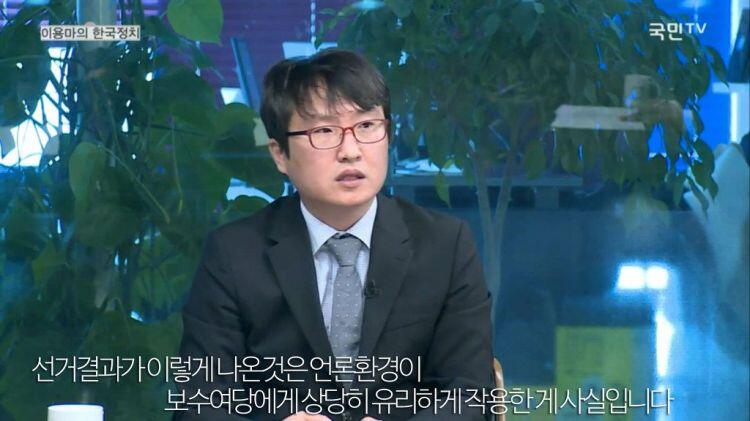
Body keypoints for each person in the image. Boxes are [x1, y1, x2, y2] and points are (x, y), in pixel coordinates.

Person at [175, 48, 493, 421]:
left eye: (367, 126)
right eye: (324, 131)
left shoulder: (445, 245)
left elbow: (470, 394)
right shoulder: (234, 254)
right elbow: (200, 400)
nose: (351, 151)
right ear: (280, 154)